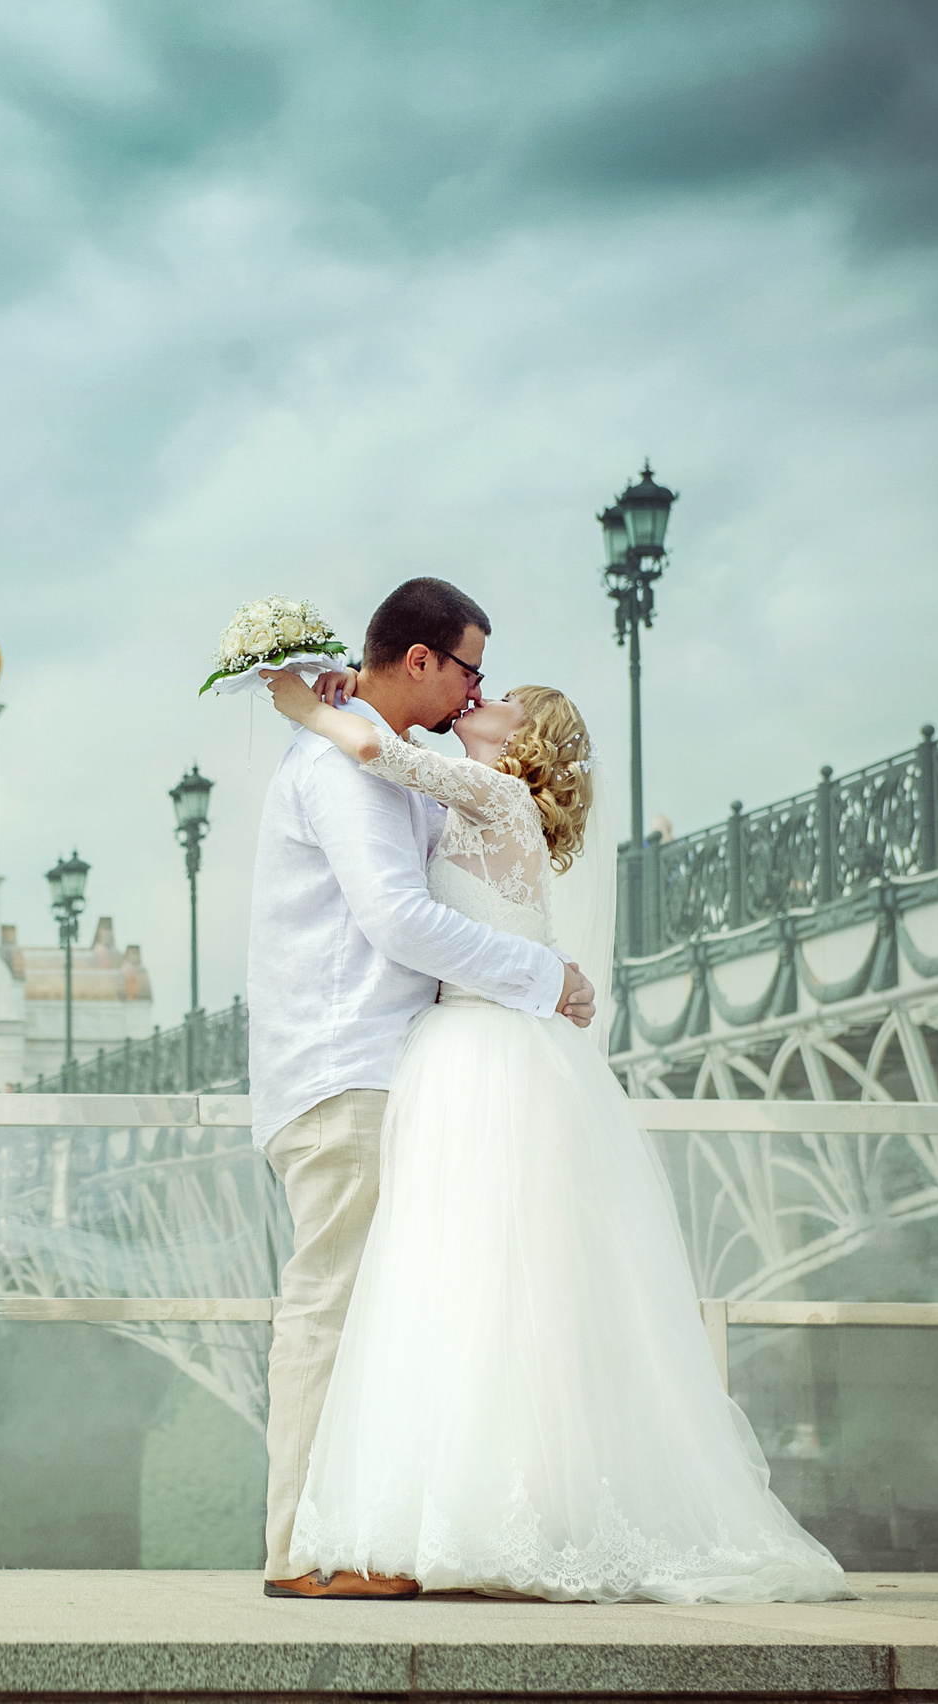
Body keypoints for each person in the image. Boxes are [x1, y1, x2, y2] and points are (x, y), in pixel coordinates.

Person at [263, 664, 850, 1603]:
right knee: (483, 1289)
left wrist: (303, 708)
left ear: (520, 740)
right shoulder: (484, 799)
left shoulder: (494, 794)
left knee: (473, 1284)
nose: (476, 701)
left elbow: (376, 749)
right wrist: (344, 692)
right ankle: (488, 1515)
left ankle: (461, 1520)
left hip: (477, 1054)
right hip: (479, 1049)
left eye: (497, 700)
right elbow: (392, 754)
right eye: (475, 683)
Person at [247, 577, 596, 1600]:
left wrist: (328, 701)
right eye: (470, 669)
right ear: (420, 662)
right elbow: (398, 921)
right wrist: (545, 979)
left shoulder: (391, 763)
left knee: (384, 1314)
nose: (476, 688)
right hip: (345, 1068)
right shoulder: (346, 770)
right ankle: (304, 1550)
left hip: (385, 1070)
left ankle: (368, 1535)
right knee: (334, 1309)